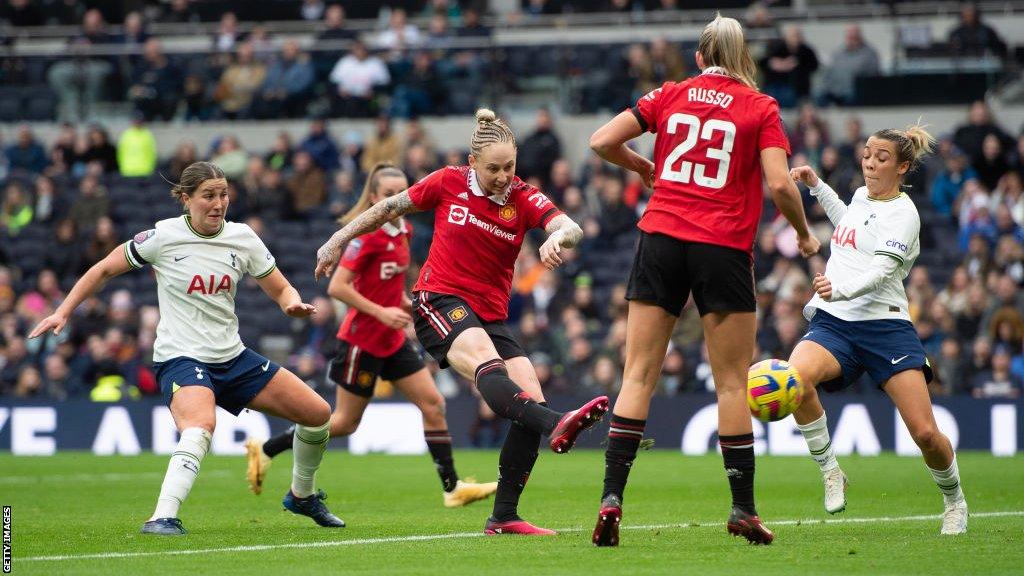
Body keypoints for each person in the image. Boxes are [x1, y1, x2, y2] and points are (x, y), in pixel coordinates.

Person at [314, 109, 610, 535]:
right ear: (473, 164)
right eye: (494, 169)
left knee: (530, 398)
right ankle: (556, 424)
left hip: (490, 315)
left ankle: (504, 515)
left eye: (509, 166)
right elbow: (388, 208)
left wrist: (557, 237)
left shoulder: (523, 196)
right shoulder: (448, 181)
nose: (503, 176)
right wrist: (336, 240)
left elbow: (572, 226)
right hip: (439, 300)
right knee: (492, 369)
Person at [586, 14, 819, 547]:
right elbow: (781, 184)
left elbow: (601, 141)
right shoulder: (761, 106)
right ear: (744, 59)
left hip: (661, 236)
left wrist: (643, 168)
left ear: (698, 58)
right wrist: (804, 235)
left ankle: (611, 498)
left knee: (638, 374)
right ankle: (742, 509)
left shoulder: (670, 93)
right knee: (733, 381)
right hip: (721, 246)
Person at [28, 162, 344, 535]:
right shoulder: (162, 237)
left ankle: (301, 496)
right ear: (186, 198)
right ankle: (162, 516)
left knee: (318, 413)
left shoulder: (242, 238)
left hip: (232, 356)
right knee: (199, 427)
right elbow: (102, 270)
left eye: (223, 194)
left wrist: (291, 302)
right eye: (208, 195)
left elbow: (279, 287)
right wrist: (62, 312)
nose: (218, 203)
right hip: (182, 356)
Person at [245, 163, 498, 508]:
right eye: (389, 193)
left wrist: (410, 308)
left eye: (402, 191)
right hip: (361, 341)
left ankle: (452, 488)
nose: (398, 198)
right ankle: (266, 448)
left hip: (392, 341)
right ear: (375, 198)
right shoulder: (365, 236)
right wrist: (381, 312)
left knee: (433, 404)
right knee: (345, 423)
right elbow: (338, 287)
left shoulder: (404, 229)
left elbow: (390, 287)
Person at [788, 125, 969, 535]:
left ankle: (954, 500)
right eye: (867, 154)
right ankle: (832, 472)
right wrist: (817, 186)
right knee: (794, 379)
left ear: (903, 166)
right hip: (836, 323)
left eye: (881, 158)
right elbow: (847, 227)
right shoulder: (859, 196)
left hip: (885, 326)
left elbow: (880, 270)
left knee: (925, 433)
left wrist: (840, 288)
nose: (869, 162)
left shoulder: (905, 215)